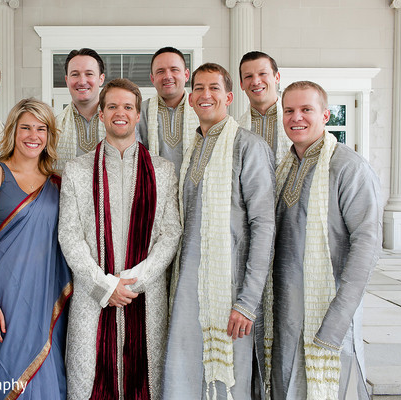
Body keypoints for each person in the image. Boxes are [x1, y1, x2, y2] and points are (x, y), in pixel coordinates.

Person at [59, 78, 181, 400]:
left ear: (138, 115)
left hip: (145, 296)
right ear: (101, 114)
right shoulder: (77, 170)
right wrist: (104, 285)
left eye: (128, 107)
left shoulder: (163, 171)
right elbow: (69, 235)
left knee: (147, 382)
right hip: (92, 297)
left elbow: (171, 233)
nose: (120, 113)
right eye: (112, 106)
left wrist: (130, 282)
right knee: (88, 381)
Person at [164, 63, 275, 400]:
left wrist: (246, 302)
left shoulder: (248, 146)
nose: (205, 94)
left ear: (228, 96)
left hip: (230, 292)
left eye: (214, 87)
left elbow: (264, 225)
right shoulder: (191, 149)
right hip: (187, 288)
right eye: (198, 87)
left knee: (228, 382)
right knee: (182, 373)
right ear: (191, 98)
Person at [268, 81, 382, 400]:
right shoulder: (285, 168)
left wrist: (339, 316)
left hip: (327, 311)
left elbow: (367, 245)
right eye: (289, 110)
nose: (296, 118)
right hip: (286, 312)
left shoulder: (349, 167)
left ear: (326, 115)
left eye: (307, 109)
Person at [0, 98, 72, 400]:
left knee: (47, 374)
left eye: (41, 128)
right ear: (13, 131)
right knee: (3, 375)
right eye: (25, 127)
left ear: (49, 135)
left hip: (46, 297)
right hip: (3, 299)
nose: (33, 135)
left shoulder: (59, 182)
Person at [137, 47, 199, 178]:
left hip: (193, 193)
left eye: (174, 70)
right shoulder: (140, 111)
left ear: (186, 75)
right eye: (160, 71)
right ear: (152, 78)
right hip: (153, 192)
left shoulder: (201, 110)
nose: (167, 76)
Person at [55, 48, 106, 171]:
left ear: (101, 79)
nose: (82, 81)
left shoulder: (118, 121)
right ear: (67, 80)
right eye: (75, 74)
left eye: (89, 74)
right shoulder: (54, 126)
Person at [237, 51, 291, 164]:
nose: (256, 81)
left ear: (277, 77)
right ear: (241, 84)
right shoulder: (235, 130)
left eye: (262, 74)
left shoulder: (297, 122)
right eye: (248, 76)